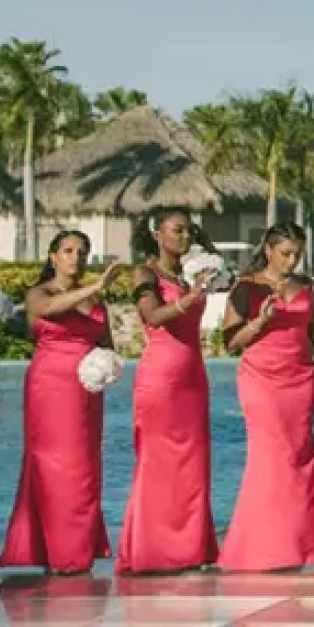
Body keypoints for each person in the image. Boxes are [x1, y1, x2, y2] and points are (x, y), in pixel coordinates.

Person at [218, 223, 314, 572]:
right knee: (271, 457)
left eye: (297, 254)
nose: (292, 260)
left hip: (301, 378)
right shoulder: (246, 288)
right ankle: (264, 547)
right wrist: (260, 321)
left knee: (300, 457)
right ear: (269, 250)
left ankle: (301, 544)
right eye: (286, 253)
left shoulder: (305, 287)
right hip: (261, 380)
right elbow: (230, 342)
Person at [1, 231, 118, 574]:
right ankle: (54, 550)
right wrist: (95, 287)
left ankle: (77, 550)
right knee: (54, 464)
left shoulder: (97, 303)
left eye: (82, 252)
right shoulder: (40, 293)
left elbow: (108, 343)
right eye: (68, 251)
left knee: (83, 465)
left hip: (86, 389)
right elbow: (48, 309)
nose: (75, 258)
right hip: (50, 388)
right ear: (53, 257)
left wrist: (106, 367)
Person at [118, 208, 218, 574]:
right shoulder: (144, 273)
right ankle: (153, 550)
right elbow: (153, 316)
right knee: (157, 461)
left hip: (193, 375)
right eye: (177, 231)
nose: (185, 238)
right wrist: (188, 299)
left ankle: (191, 548)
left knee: (193, 463)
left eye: (190, 232)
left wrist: (205, 247)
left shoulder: (193, 272)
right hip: (161, 377)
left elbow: (221, 265)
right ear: (157, 234)